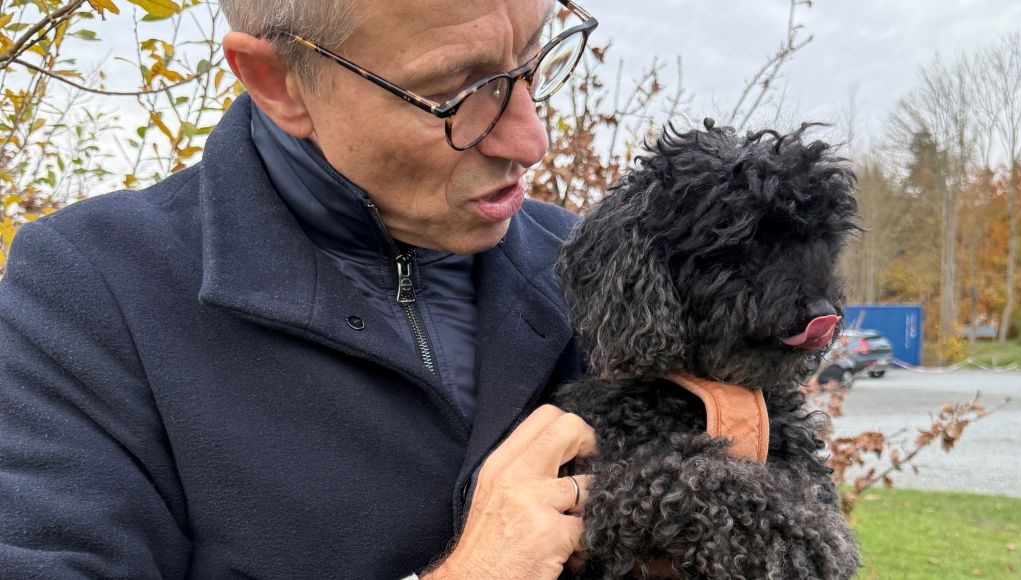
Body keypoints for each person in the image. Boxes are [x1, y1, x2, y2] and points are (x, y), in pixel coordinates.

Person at [0, 0, 600, 577]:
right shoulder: (91, 292)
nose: (530, 140)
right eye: (453, 94)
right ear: (276, 82)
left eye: (532, 61)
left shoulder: (592, 267)